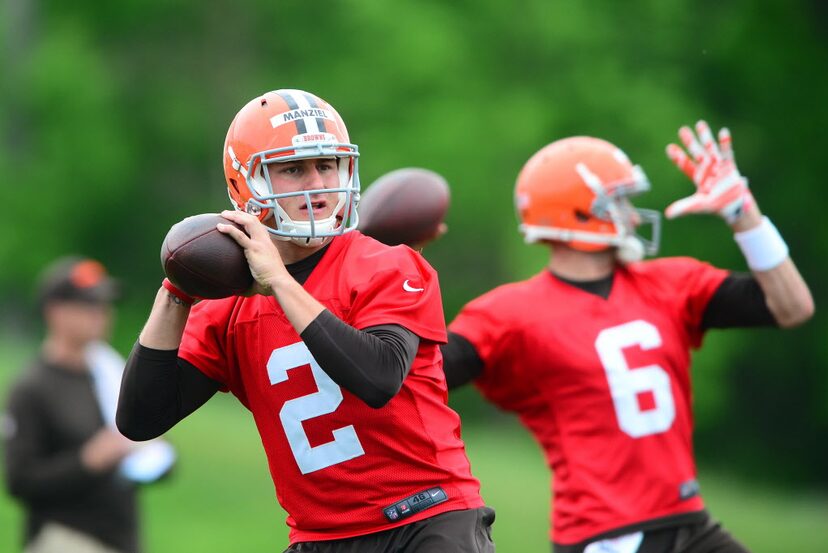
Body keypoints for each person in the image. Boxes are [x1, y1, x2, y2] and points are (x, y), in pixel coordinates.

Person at [115, 89, 494, 552]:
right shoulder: (229, 306)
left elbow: (377, 378)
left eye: (327, 165)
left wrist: (279, 283)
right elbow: (140, 418)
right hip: (320, 537)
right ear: (246, 184)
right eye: (293, 169)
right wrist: (176, 292)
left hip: (425, 519)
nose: (316, 182)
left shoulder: (388, 265)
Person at [441, 122, 814, 553]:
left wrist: (744, 215)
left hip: (690, 523)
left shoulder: (672, 284)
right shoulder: (508, 315)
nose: (634, 216)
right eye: (618, 203)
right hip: (606, 536)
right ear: (577, 212)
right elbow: (416, 379)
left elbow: (793, 307)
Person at [2, 256, 173, 553]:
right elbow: (20, 481)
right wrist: (89, 460)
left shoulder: (109, 372)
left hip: (121, 538)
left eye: (105, 305)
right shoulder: (32, 388)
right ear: (55, 311)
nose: (102, 313)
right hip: (64, 539)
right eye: (89, 304)